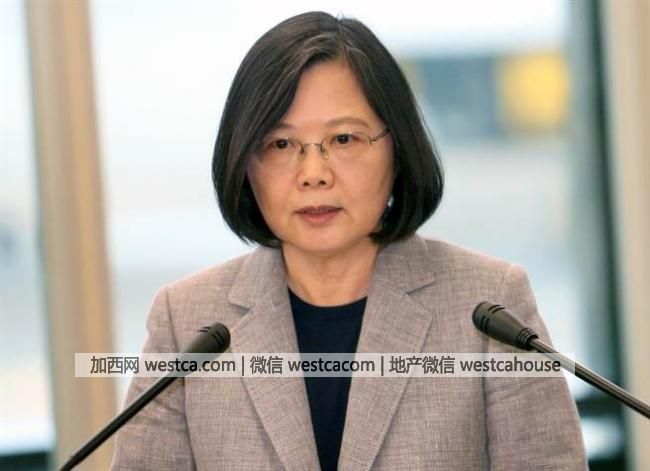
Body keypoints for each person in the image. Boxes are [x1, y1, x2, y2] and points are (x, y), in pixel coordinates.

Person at [111, 11, 587, 470]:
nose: (314, 173)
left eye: (343, 139)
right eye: (281, 144)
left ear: (398, 148)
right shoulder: (187, 322)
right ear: (244, 162)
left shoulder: (489, 307)